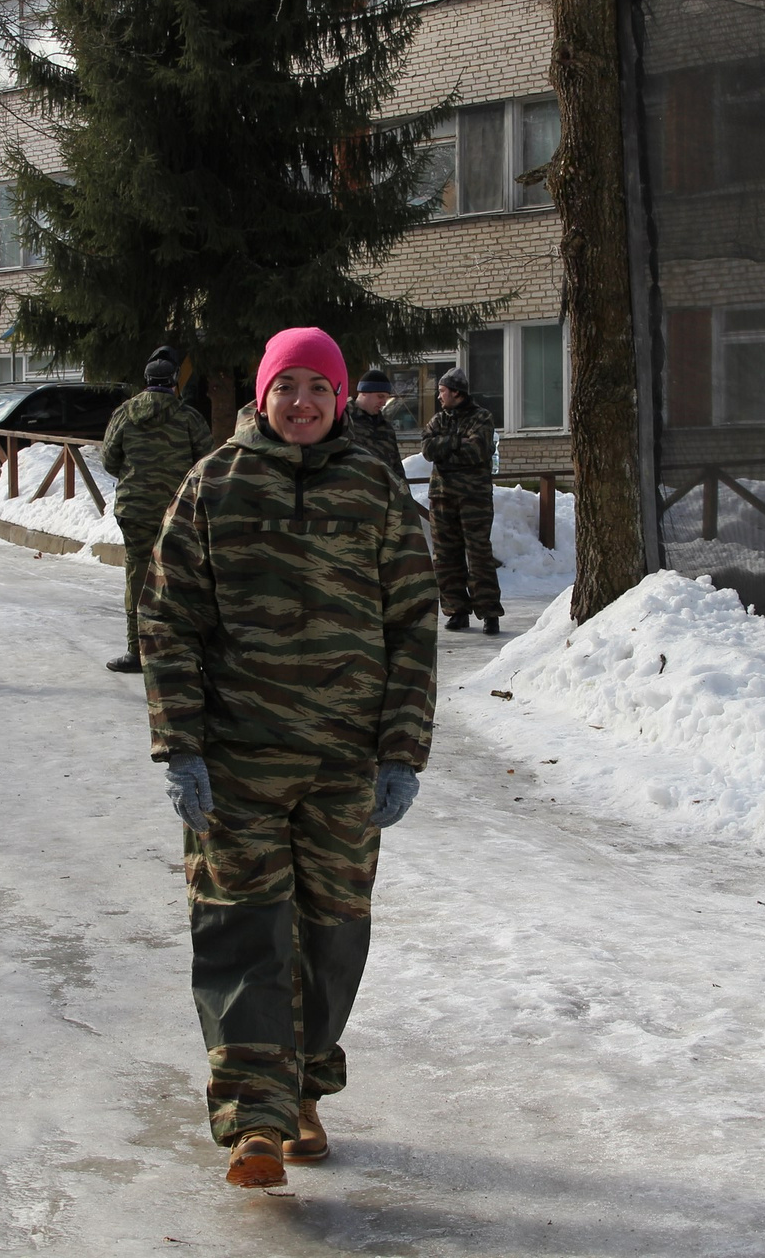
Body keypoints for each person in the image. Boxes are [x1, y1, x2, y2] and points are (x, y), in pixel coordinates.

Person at [139, 327, 437, 1189]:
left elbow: (414, 624)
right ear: (262, 394)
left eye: (317, 387)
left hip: (346, 768)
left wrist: (401, 751)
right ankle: (254, 1121)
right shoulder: (214, 483)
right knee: (241, 933)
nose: (300, 402)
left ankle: (302, 1089)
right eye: (286, 386)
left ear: (339, 399)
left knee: (331, 940)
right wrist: (181, 745)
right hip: (238, 764)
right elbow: (167, 620)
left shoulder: (376, 487)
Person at [100, 347, 215, 674]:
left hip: (134, 510)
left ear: (146, 379)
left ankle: (137, 651)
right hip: (177, 511)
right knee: (177, 577)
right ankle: (179, 650)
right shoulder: (189, 417)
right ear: (175, 380)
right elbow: (207, 463)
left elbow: (109, 460)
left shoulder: (124, 414)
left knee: (137, 575)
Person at [419, 365, 502, 634]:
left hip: (474, 498)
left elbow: (477, 450)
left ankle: (489, 612)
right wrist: (457, 442)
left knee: (479, 554)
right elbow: (428, 449)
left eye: (442, 391)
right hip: (442, 496)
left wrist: (446, 446)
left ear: (456, 392)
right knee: (445, 555)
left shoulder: (482, 417)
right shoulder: (438, 420)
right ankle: (456, 610)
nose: (439, 396)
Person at [344, 365, 407, 486]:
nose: (383, 403)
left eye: (386, 398)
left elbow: (397, 468)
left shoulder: (386, 428)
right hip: (348, 491)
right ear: (364, 392)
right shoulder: (341, 419)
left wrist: (404, 494)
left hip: (380, 492)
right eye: (380, 396)